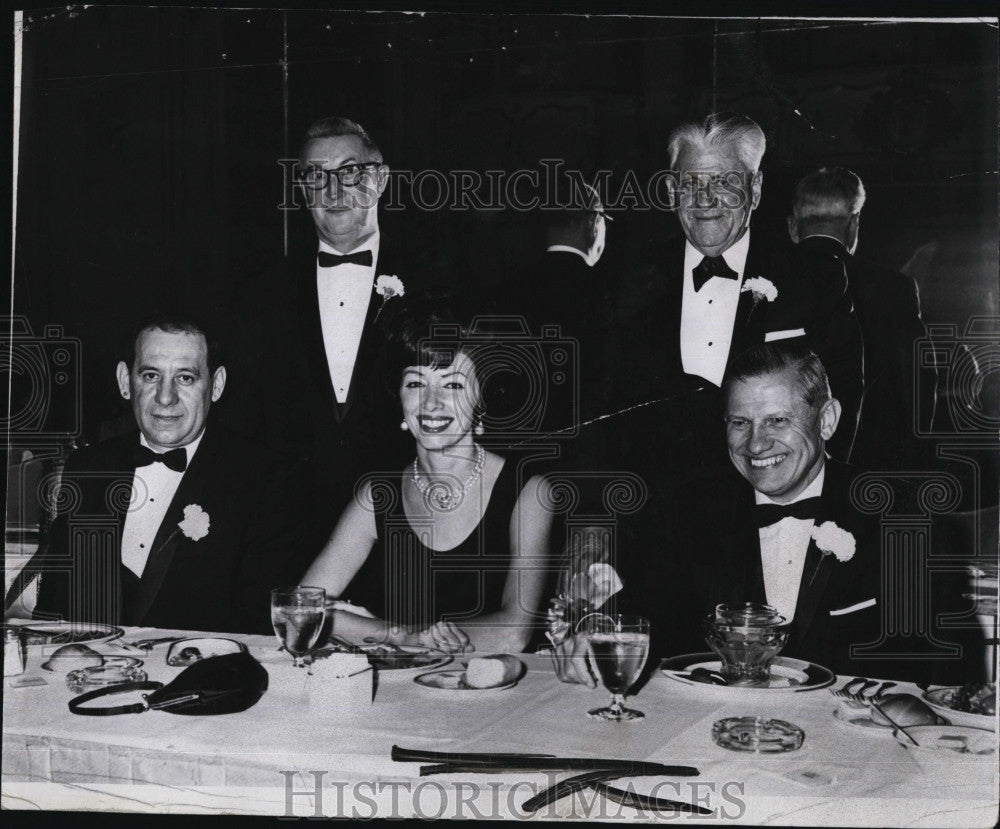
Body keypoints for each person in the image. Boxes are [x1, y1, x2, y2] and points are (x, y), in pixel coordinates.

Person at [553, 343, 983, 686]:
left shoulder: (905, 517)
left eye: (777, 420)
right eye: (740, 423)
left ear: (827, 420)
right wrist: (596, 626)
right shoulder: (690, 512)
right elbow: (640, 608)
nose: (756, 445)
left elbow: (954, 673)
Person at [223, 116, 440, 555]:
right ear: (302, 189)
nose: (334, 191)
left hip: (406, 529)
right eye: (316, 176)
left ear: (380, 181)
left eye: (350, 172)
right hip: (286, 541)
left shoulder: (433, 286)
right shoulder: (259, 296)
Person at [301, 296, 555, 653]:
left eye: (453, 385)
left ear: (481, 398)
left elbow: (513, 632)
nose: (432, 403)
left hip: (497, 695)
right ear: (400, 400)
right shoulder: (377, 495)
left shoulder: (528, 492)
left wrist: (385, 633)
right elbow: (299, 611)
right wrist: (406, 636)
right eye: (416, 384)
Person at [611, 112, 864, 464]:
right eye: (691, 183)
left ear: (755, 190)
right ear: (671, 191)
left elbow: (842, 404)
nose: (705, 200)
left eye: (723, 182)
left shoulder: (812, 277)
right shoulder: (632, 279)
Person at [32, 314, 304, 634]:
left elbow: (260, 626)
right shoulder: (88, 467)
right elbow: (52, 609)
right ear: (125, 380)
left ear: (215, 386)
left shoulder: (264, 479)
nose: (165, 397)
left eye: (185, 378)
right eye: (150, 375)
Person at [789, 166, 937, 471]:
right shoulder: (893, 288)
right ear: (854, 225)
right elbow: (919, 383)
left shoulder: (760, 285)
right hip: (871, 476)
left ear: (793, 227)